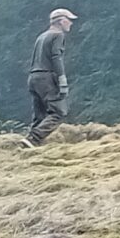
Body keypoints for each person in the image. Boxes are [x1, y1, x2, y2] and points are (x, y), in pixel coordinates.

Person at [26, 9, 76, 146]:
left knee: (40, 115)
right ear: (61, 21)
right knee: (58, 112)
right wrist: (62, 80)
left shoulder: (41, 36)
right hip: (46, 78)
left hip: (34, 77)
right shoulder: (58, 35)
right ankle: (34, 138)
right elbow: (56, 57)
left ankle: (29, 143)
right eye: (69, 19)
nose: (71, 23)